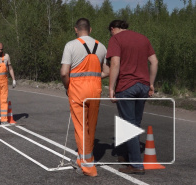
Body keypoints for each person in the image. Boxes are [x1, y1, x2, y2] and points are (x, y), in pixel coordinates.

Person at [106, 20, 158, 175]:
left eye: (110, 31)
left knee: (128, 125)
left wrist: (110, 88)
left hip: (126, 86)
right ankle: (128, 156)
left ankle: (136, 165)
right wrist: (151, 83)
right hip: (143, 85)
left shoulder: (115, 39)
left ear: (113, 29)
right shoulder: (143, 38)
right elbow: (154, 62)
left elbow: (115, 63)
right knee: (135, 122)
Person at [60, 18, 109, 177]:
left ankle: (88, 166)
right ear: (90, 29)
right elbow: (107, 72)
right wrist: (93, 77)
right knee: (90, 127)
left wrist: (68, 86)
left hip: (77, 90)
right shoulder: (101, 46)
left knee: (80, 128)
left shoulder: (71, 45)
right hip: (95, 90)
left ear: (76, 29)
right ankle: (83, 159)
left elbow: (64, 72)